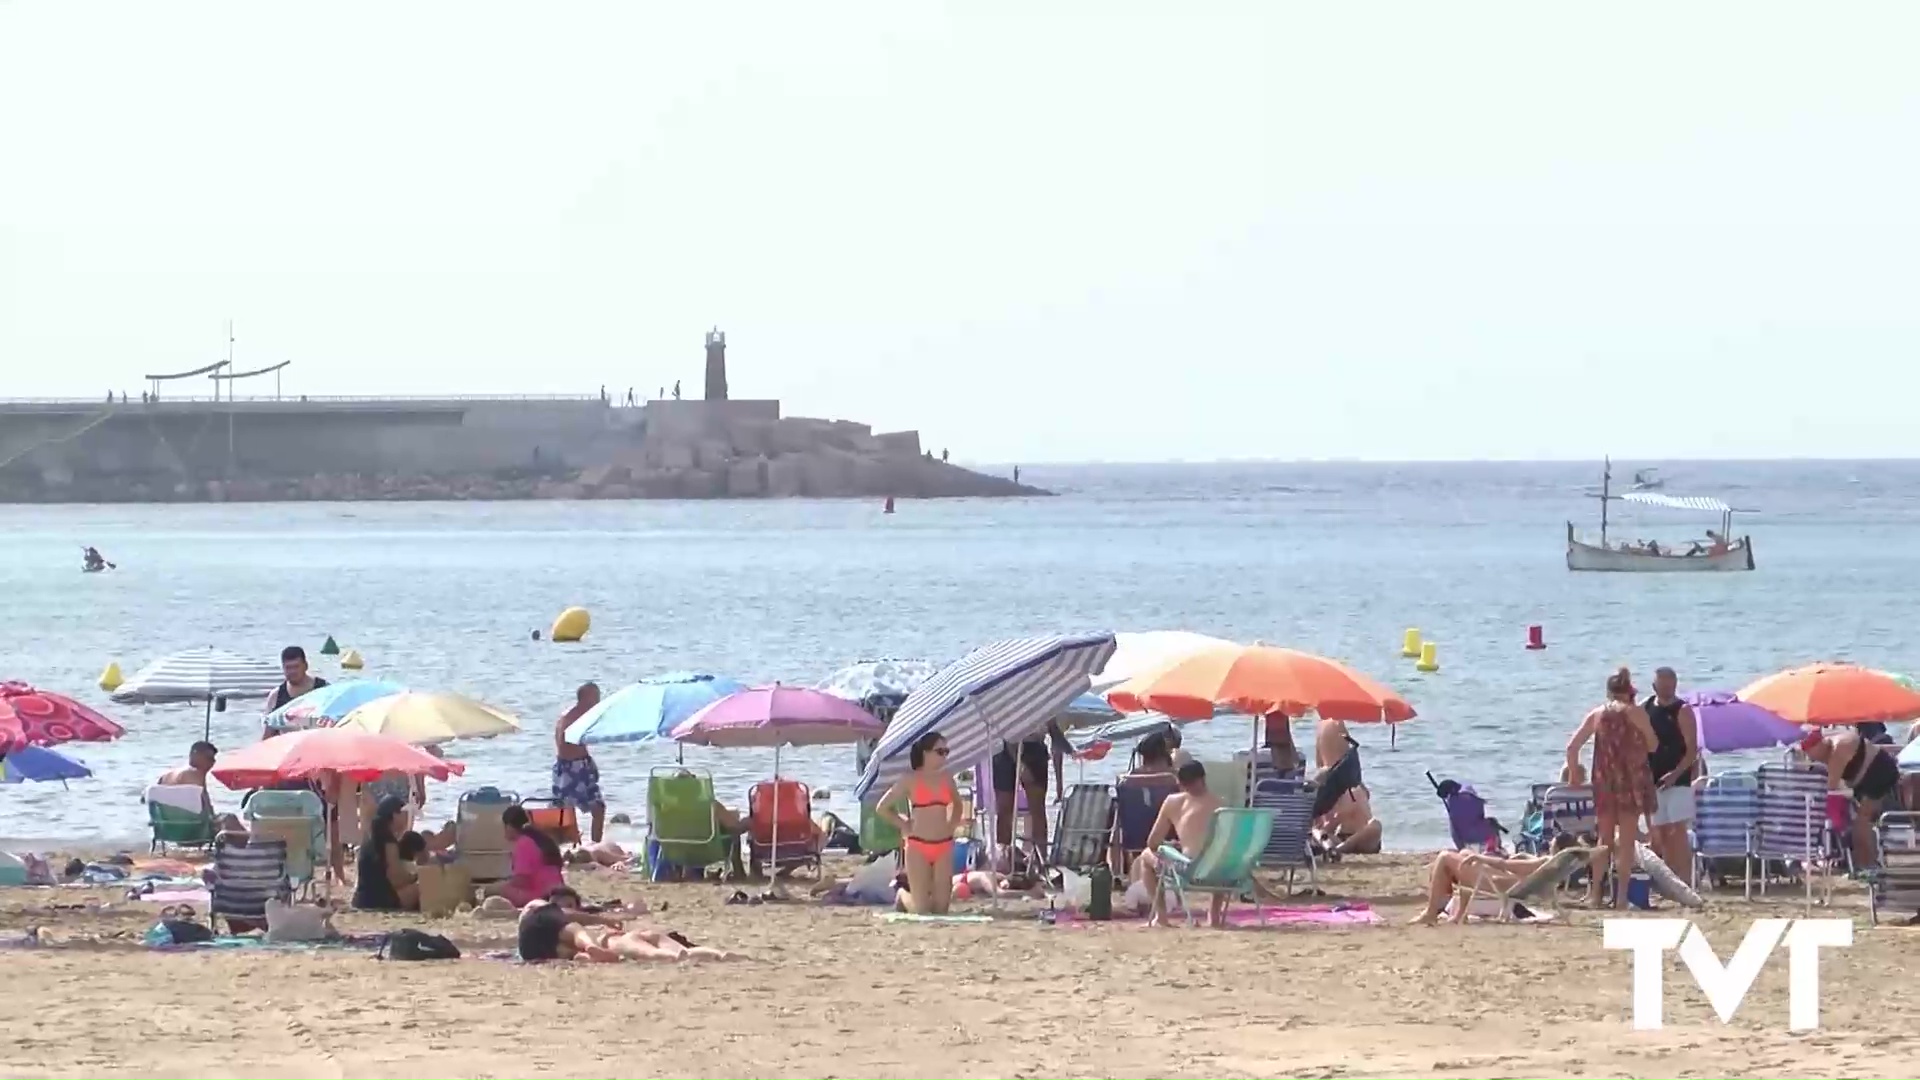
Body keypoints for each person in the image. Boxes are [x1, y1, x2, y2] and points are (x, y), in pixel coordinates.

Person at [1566, 667, 1658, 908]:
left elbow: (1572, 747)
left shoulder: (1597, 714)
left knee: (1603, 841)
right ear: (1629, 692)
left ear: (1609, 692)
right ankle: (1620, 898)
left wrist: (1574, 775)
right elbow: (1653, 745)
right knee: (1626, 843)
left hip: (1604, 782)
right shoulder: (1636, 712)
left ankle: (1596, 894)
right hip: (1630, 782)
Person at [517, 886, 740, 963]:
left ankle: (586, 952)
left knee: (673, 955)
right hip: (616, 938)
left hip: (608, 941)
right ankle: (720, 954)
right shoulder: (551, 913)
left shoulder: (540, 919)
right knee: (677, 951)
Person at [1411, 834, 1595, 925]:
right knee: (1465, 853)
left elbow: (1506, 865)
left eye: (1552, 843)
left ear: (1558, 848)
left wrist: (1482, 859)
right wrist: (1522, 856)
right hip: (1510, 885)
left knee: (1445, 857)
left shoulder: (1547, 861)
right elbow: (1520, 866)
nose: (1549, 844)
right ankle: (1460, 914)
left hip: (1500, 887)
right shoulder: (1553, 864)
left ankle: (1430, 913)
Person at [1131, 762, 1226, 926]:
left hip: (1188, 870)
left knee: (1146, 856)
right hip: (1222, 870)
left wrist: (1173, 847)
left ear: (1179, 783)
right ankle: (1214, 916)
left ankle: (1161, 917)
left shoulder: (1173, 801)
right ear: (1203, 779)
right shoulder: (1222, 805)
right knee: (1218, 855)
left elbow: (1153, 843)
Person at [877, 731, 961, 915]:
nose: (944, 756)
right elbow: (882, 807)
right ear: (925, 753)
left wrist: (952, 825)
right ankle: (902, 895)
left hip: (943, 845)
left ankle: (916, 897)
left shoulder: (947, 777)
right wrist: (903, 824)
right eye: (940, 751)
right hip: (918, 845)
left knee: (941, 910)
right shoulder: (910, 778)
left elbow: (958, 804)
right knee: (922, 911)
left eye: (946, 751)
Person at [1802, 726, 1902, 868]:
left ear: (1819, 744)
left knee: (1861, 824)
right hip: (1864, 781)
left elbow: (1832, 786)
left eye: (1810, 752)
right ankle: (1867, 863)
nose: (1811, 758)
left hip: (1879, 773)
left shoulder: (1839, 748)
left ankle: (1868, 866)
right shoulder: (1829, 751)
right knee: (1862, 823)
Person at [1643, 667, 1700, 880]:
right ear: (1654, 686)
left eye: (1670, 683)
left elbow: (1692, 749)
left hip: (1678, 780)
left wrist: (1675, 775)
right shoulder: (1646, 708)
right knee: (1661, 833)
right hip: (1654, 780)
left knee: (1678, 832)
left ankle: (1685, 880)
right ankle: (1669, 880)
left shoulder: (1682, 710)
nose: (1667, 688)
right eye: (1662, 684)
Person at [991, 721, 1069, 865]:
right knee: (1004, 810)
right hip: (1006, 746)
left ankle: (1040, 860)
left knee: (1037, 809)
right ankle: (1003, 859)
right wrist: (1021, 766)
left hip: (1034, 748)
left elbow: (1056, 739)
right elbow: (1004, 730)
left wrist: (1059, 781)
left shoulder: (1047, 702)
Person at [552, 682, 606, 843]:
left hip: (576, 765)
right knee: (570, 810)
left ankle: (590, 845)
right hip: (572, 767)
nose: (598, 701)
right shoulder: (572, 717)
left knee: (594, 808)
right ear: (586, 698)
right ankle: (580, 846)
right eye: (595, 697)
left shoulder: (580, 716)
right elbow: (566, 745)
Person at [484, 803, 567, 907]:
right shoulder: (540, 838)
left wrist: (502, 884)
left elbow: (522, 881)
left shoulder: (523, 843)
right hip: (558, 893)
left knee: (491, 891)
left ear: (509, 826)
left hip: (541, 896)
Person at [155, 741, 243, 833]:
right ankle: (249, 844)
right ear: (195, 754)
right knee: (229, 818)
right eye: (209, 758)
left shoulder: (165, 776)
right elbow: (204, 809)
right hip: (192, 828)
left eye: (213, 759)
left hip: (169, 830)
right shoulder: (194, 774)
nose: (212, 763)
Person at [353, 795, 422, 911]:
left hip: (361, 899)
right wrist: (416, 876)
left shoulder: (371, 836)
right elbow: (395, 879)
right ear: (395, 815)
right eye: (404, 814)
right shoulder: (389, 842)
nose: (407, 818)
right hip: (380, 901)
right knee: (424, 887)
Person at [1317, 784, 1382, 855]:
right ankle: (1339, 848)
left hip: (1362, 840)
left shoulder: (1356, 792)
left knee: (1376, 824)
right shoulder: (1340, 796)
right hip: (1342, 838)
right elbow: (1328, 828)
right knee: (1322, 833)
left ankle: (1340, 849)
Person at [264, 646, 328, 714]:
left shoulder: (324, 689)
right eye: (288, 667)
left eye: (296, 667)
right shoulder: (275, 696)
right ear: (283, 668)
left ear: (306, 666)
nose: (292, 671)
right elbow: (266, 722)